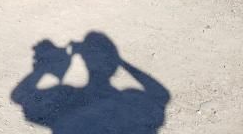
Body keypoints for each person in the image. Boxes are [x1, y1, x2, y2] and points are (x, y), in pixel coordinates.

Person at [11, 32, 170, 134]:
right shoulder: (131, 100)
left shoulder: (67, 100)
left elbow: (18, 96)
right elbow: (161, 95)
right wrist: (122, 62)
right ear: (113, 66)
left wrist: (43, 69)